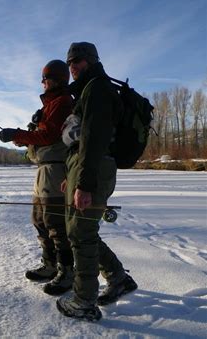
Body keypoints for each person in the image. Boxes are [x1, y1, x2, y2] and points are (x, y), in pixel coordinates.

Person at [56, 42, 137, 321]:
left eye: (77, 60)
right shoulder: (90, 89)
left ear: (90, 60)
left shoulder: (98, 89)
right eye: (69, 63)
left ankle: (84, 301)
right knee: (83, 231)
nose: (72, 66)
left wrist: (85, 183)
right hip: (86, 168)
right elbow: (81, 144)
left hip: (95, 169)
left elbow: (94, 139)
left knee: (80, 234)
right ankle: (118, 278)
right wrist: (73, 177)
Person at [0, 60, 74, 295]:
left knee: (55, 224)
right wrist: (25, 138)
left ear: (58, 80)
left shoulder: (62, 102)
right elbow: (42, 135)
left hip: (56, 171)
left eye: (46, 79)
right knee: (39, 220)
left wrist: (18, 133)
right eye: (42, 79)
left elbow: (50, 135)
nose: (43, 83)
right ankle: (49, 265)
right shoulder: (50, 105)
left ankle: (66, 272)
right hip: (43, 170)